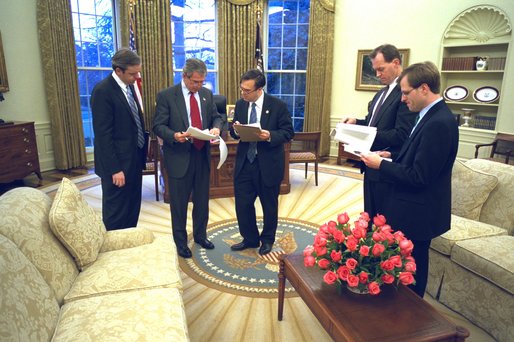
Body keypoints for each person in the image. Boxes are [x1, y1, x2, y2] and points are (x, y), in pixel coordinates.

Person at [361, 61, 459, 297]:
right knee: (400, 270)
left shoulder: (439, 123)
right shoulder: (428, 115)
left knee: (412, 276)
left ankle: (412, 324)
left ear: (423, 88)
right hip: (411, 208)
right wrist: (392, 155)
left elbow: (419, 176)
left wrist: (381, 164)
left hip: (419, 214)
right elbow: (417, 156)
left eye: (406, 93)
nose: (403, 99)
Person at [153, 58, 224, 258]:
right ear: (184, 76)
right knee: (179, 203)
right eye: (195, 82)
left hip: (202, 156)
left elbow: (217, 116)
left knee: (202, 201)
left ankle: (201, 235)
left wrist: (217, 127)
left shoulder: (206, 94)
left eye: (202, 82)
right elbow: (158, 126)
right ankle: (181, 242)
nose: (199, 86)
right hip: (179, 156)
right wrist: (174, 136)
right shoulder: (167, 96)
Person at [342, 44, 417, 219]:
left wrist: (363, 135)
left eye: (381, 69)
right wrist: (356, 122)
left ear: (396, 63)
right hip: (370, 164)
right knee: (370, 215)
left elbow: (402, 134)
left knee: (384, 221)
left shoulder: (405, 93)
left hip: (388, 166)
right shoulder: (381, 93)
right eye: (375, 70)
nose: (377, 75)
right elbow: (372, 123)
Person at [229, 69, 294, 256]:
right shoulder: (241, 104)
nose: (243, 93)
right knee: (243, 204)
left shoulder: (277, 105)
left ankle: (267, 240)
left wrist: (269, 136)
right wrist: (235, 130)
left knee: (269, 205)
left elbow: (288, 132)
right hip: (245, 163)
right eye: (241, 89)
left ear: (259, 89)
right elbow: (234, 130)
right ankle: (249, 238)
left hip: (267, 164)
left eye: (247, 90)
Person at [91, 48, 147, 230]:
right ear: (118, 71)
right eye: (133, 73)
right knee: (116, 212)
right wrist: (115, 169)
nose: (137, 77)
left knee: (132, 206)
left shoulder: (129, 87)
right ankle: (114, 250)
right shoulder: (103, 91)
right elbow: (103, 135)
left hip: (134, 159)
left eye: (138, 72)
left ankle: (129, 243)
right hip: (117, 166)